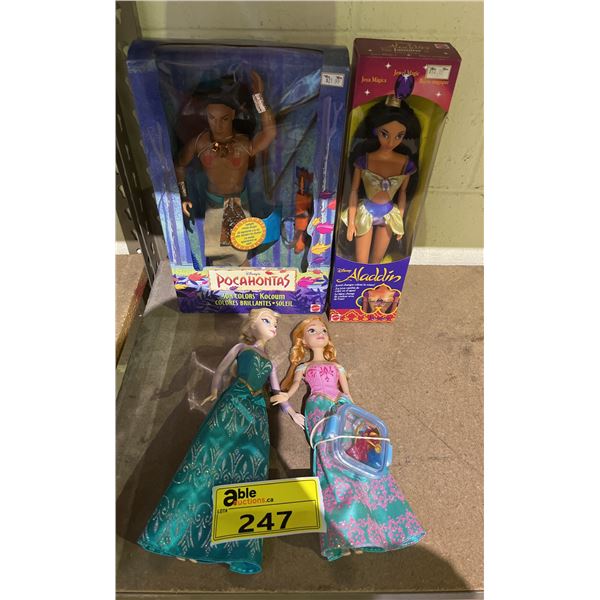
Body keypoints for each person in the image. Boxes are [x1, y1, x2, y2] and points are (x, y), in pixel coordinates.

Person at [138, 309, 302, 574]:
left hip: (256, 414)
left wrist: (291, 411)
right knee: (208, 461)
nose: (273, 327)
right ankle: (178, 534)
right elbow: (221, 371)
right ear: (252, 324)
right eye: (267, 320)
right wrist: (214, 392)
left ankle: (225, 544)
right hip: (234, 401)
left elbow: (276, 392)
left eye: (275, 323)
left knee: (245, 472)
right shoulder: (241, 348)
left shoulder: (270, 362)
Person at [273, 317, 425, 561]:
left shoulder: (337, 367)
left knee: (357, 458)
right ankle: (347, 534)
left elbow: (349, 394)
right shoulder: (303, 367)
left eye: (323, 330)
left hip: (343, 408)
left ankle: (379, 528)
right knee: (329, 461)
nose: (320, 333)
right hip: (318, 408)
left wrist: (361, 420)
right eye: (312, 330)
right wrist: (290, 408)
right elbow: (292, 389)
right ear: (303, 341)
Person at [174, 71, 277, 266]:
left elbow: (269, 133)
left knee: (242, 248)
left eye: (224, 119)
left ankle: (244, 277)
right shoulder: (199, 143)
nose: (217, 125)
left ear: (233, 116)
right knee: (215, 252)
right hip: (213, 203)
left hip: (238, 202)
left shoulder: (243, 144)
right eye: (212, 118)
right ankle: (219, 280)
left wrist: (258, 98)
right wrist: (184, 195)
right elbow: (180, 165)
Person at [341, 74, 421, 263]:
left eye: (399, 136)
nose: (391, 142)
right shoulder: (364, 160)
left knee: (376, 260)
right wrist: (351, 222)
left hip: (389, 214)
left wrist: (399, 222)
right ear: (375, 131)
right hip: (366, 212)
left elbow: (403, 193)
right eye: (385, 134)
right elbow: (353, 190)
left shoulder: (405, 163)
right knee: (361, 261)